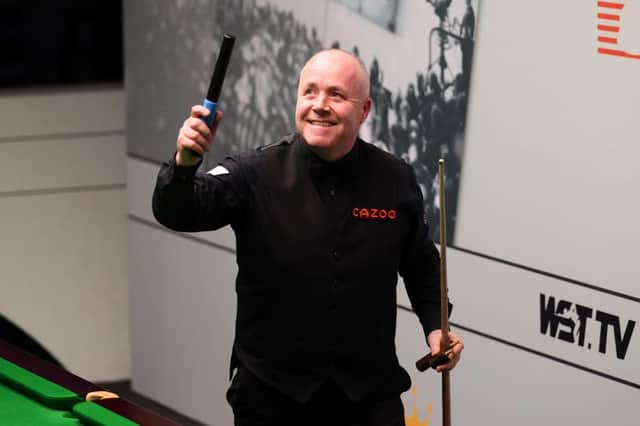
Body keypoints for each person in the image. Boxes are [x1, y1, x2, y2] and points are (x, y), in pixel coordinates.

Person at [152, 49, 464, 426]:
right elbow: (177, 211)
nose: (320, 105)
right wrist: (185, 162)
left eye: (336, 95)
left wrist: (436, 326)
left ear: (364, 110)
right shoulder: (254, 172)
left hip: (368, 398)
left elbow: (421, 264)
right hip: (271, 398)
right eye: (310, 92)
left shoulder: (395, 179)